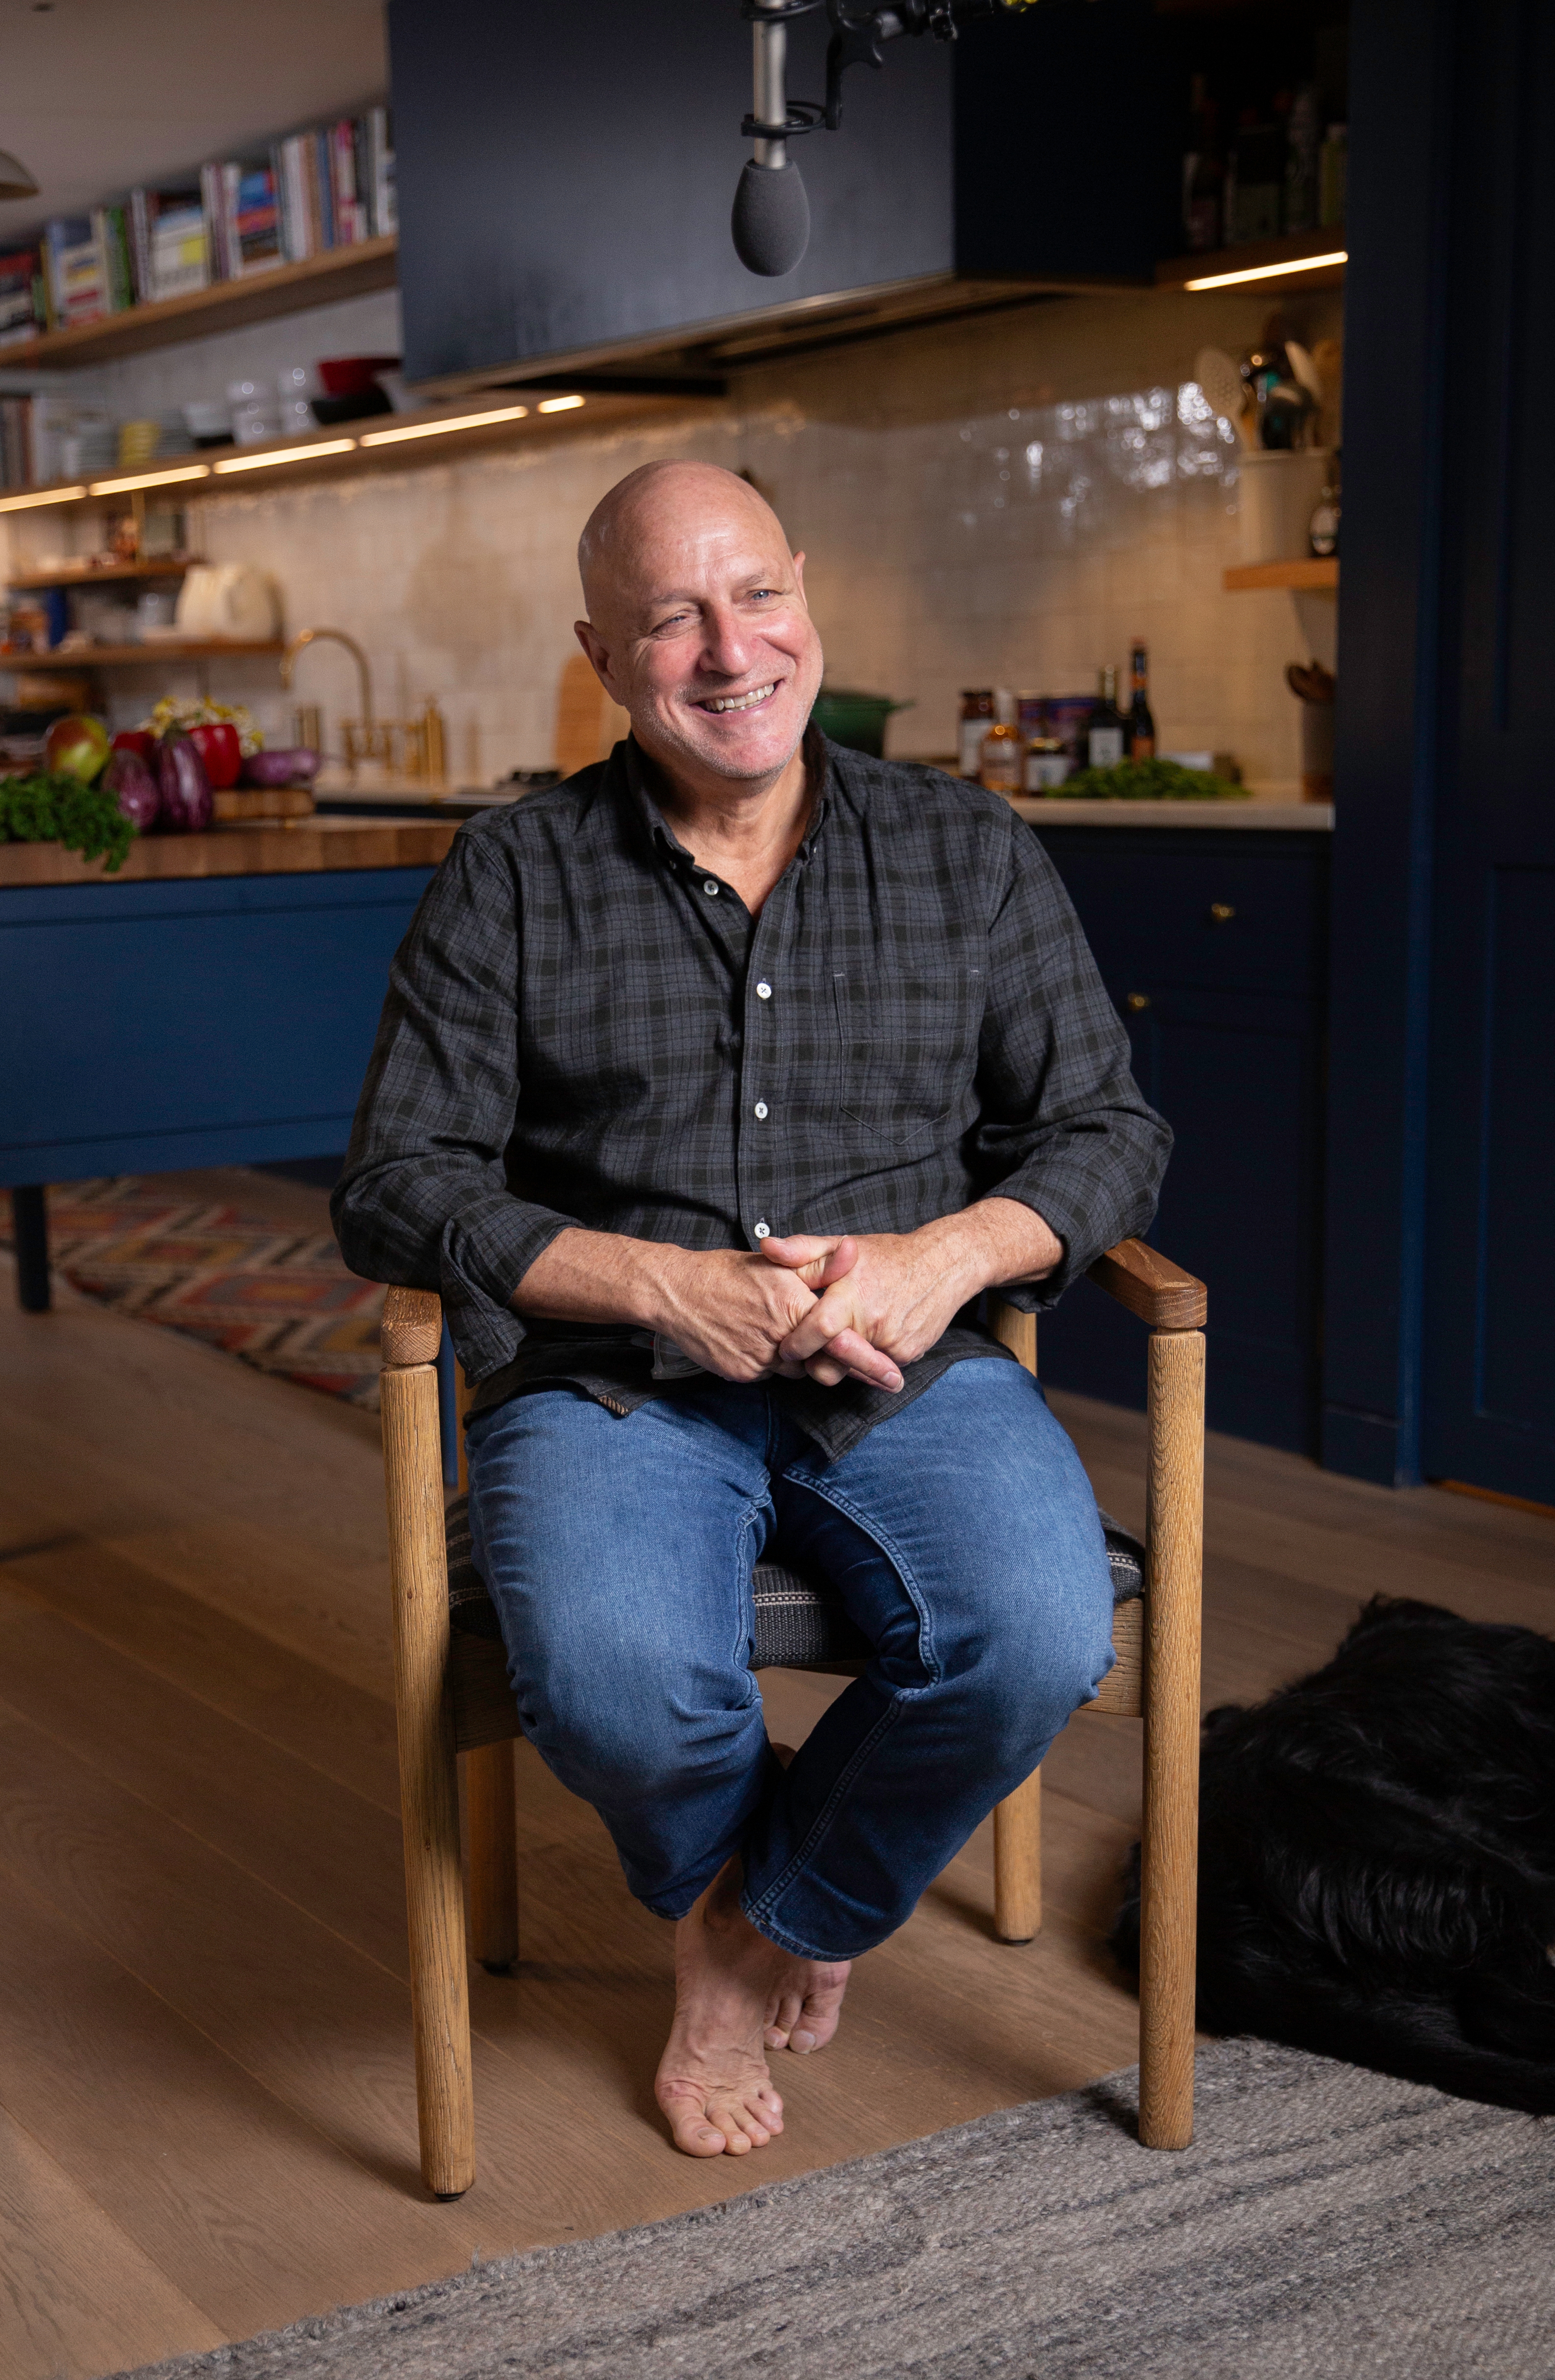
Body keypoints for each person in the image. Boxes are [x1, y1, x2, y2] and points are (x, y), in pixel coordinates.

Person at [333, 459, 1170, 2161]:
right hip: (613, 1386)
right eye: (670, 616)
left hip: (909, 1366)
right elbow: (395, 1181)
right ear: (603, 652)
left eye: (755, 595)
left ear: (809, 592)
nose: (729, 650)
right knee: (622, 1676)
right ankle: (748, 1895)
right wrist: (653, 1281)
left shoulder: (970, 847)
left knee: (1037, 1631)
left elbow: (1108, 1129)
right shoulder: (510, 874)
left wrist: (948, 1254)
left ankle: (753, 1923)